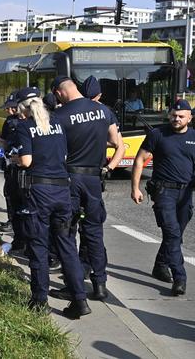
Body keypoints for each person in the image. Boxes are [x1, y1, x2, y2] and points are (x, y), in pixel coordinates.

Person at [13, 87, 91, 318]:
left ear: (23, 110)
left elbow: (26, 161)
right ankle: (80, 299)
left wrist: (14, 158)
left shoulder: (25, 127)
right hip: (62, 191)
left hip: (40, 191)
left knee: (38, 246)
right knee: (67, 247)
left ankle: (39, 300)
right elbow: (64, 155)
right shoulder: (56, 123)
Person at [51, 75, 124, 301]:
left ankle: (74, 286)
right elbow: (117, 143)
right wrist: (107, 166)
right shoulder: (103, 111)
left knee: (67, 232)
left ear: (59, 93)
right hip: (94, 179)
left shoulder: (59, 115)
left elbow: (56, 151)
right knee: (94, 233)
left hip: (70, 179)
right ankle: (100, 285)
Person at [131, 99, 195, 296]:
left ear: (189, 118)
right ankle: (180, 278)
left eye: (181, 116)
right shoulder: (158, 134)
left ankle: (160, 265)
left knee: (175, 235)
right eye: (174, 115)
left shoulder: (194, 137)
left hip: (186, 193)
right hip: (163, 192)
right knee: (173, 233)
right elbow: (140, 159)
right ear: (169, 115)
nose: (176, 118)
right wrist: (135, 188)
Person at [0, 91, 21, 235]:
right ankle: (12, 221)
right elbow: (2, 139)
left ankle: (19, 222)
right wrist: (0, 150)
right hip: (9, 163)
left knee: (21, 195)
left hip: (22, 164)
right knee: (9, 193)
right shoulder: (9, 121)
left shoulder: (29, 121)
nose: (8, 110)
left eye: (10, 108)